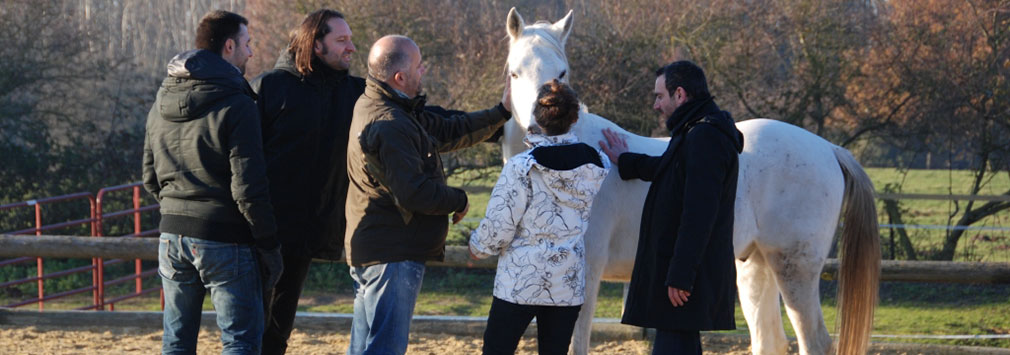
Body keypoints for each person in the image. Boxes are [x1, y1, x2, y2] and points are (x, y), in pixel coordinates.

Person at [344, 34, 512, 355]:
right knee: (385, 348)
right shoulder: (391, 122)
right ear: (400, 77)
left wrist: (500, 113)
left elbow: (448, 129)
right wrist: (458, 199)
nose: (424, 72)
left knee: (366, 346)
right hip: (392, 253)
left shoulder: (386, 106)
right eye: (419, 67)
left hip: (378, 247)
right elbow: (415, 193)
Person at [142, 10, 282, 354]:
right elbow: (248, 186)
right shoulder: (237, 103)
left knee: (176, 339)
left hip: (171, 235)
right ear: (229, 45)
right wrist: (268, 243)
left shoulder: (161, 102)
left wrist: (178, 208)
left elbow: (149, 175)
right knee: (239, 341)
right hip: (224, 236)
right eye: (247, 44)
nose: (251, 52)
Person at [598, 61, 743, 354]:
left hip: (685, 277)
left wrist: (680, 275)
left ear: (680, 94)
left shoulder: (705, 137)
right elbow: (672, 169)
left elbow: (699, 213)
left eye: (659, 96)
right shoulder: (695, 131)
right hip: (684, 273)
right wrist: (625, 160)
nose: (655, 105)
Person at [250, 9, 364, 354]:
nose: (352, 47)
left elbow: (421, 119)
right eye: (341, 40)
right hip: (259, 233)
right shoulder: (270, 88)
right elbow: (240, 158)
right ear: (316, 45)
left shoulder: (357, 93)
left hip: (305, 236)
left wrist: (497, 118)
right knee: (247, 328)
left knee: (279, 330)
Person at [469, 79, 609, 355]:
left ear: (536, 116)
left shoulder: (522, 166)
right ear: (575, 117)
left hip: (519, 281)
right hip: (566, 284)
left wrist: (477, 247)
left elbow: (499, 226)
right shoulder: (597, 163)